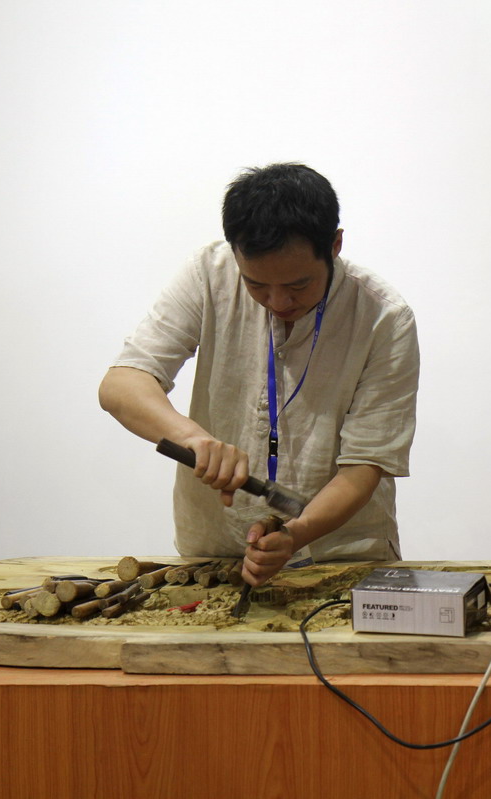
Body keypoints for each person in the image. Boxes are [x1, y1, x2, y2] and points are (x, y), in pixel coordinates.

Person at [99, 163, 419, 586]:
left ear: (335, 244)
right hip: (215, 552)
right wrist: (194, 440)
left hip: (342, 556)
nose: (277, 301)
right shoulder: (208, 275)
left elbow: (364, 466)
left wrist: (295, 534)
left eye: (299, 286)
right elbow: (122, 384)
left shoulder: (384, 319)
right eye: (256, 285)